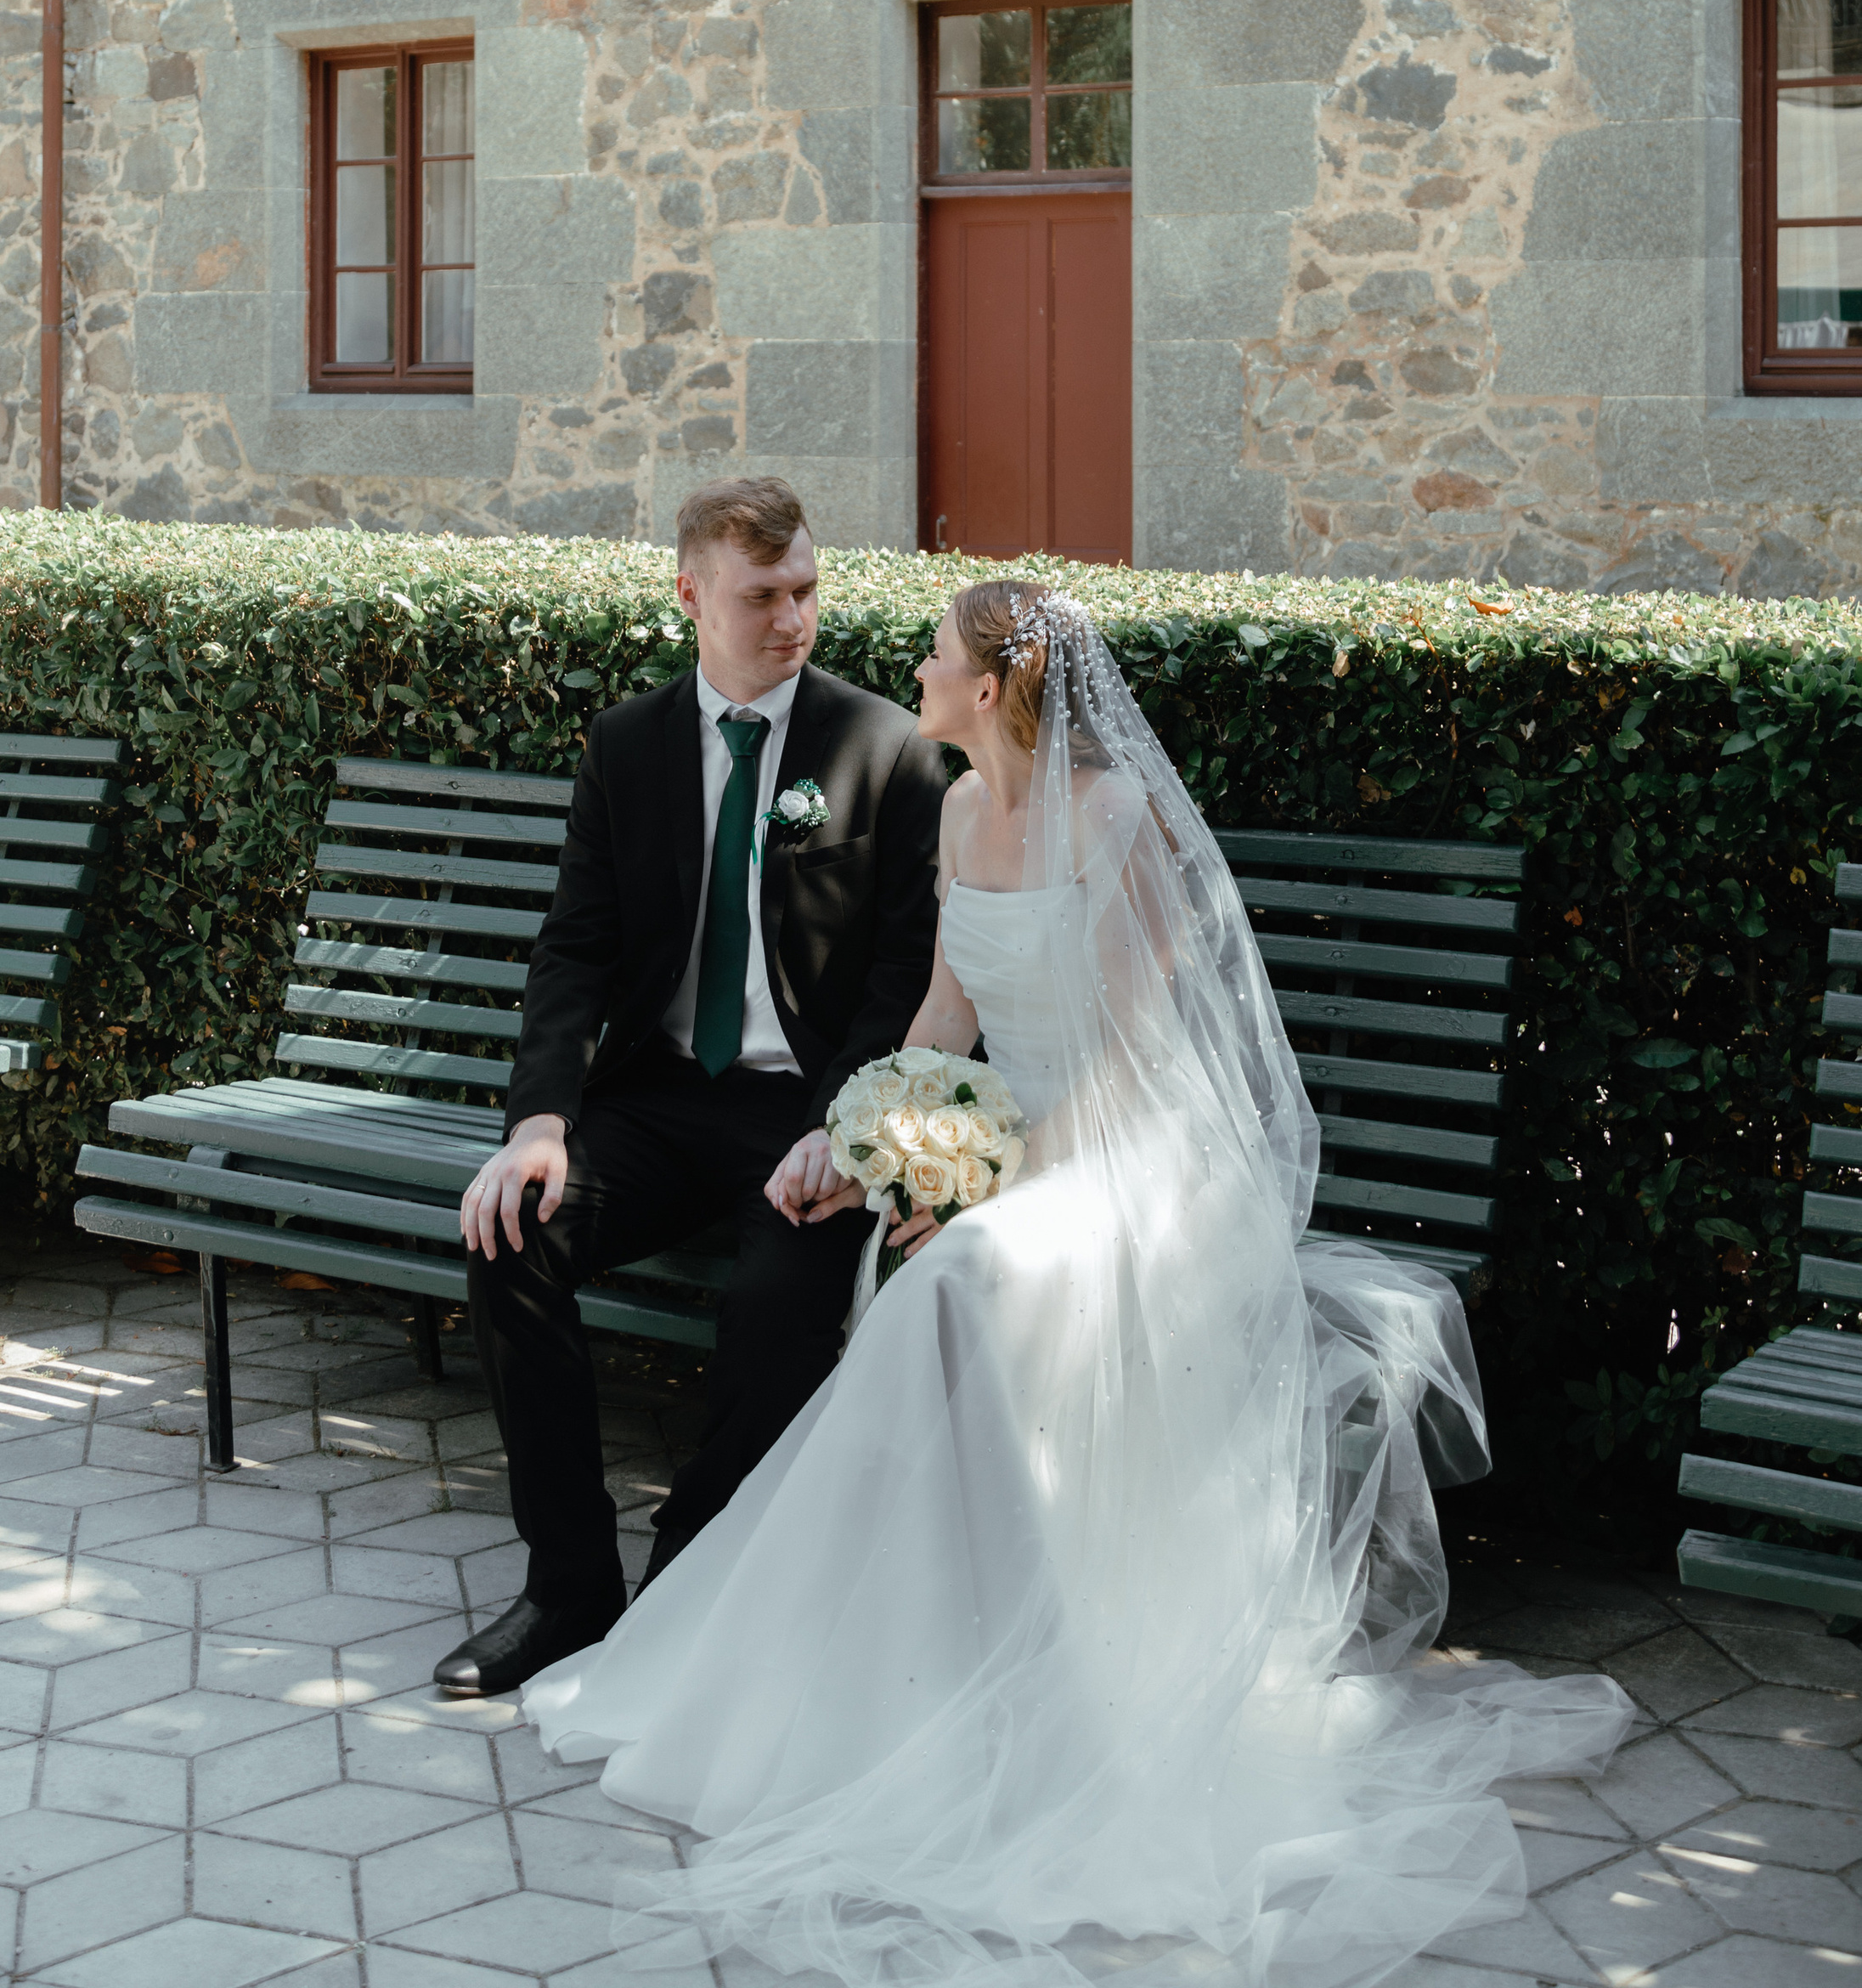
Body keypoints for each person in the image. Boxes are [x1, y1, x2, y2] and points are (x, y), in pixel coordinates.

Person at [521, 576, 1637, 1988]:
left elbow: (1120, 1070)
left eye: (933, 657)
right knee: (933, 1280)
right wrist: (872, 1143)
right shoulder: (956, 809)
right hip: (1018, 1151)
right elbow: (942, 1016)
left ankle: (1042, 1696)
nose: (913, 672)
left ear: (990, 688)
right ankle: (902, 1677)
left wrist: (967, 1186)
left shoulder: (1114, 820)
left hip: (1137, 1164)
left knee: (959, 1286)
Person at [433, 474, 945, 1700]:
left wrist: (850, 1127)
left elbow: (906, 974)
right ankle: (567, 1593)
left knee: (780, 1307)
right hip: (660, 1097)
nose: (793, 617)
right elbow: (577, 948)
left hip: (809, 1112)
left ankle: (681, 1588)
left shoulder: (885, 749)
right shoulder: (629, 744)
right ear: (691, 597)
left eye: (806, 589)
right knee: (510, 1237)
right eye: (762, 595)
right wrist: (542, 1123)